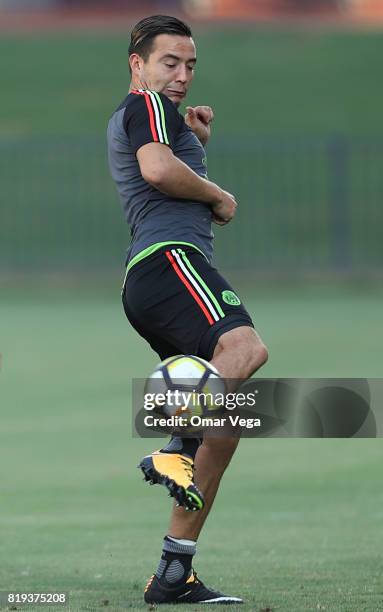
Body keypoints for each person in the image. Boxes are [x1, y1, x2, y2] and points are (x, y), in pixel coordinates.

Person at [107, 15, 268, 605]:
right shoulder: (144, 103)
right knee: (246, 349)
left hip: (154, 275)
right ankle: (175, 446)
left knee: (227, 421)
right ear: (138, 65)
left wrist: (193, 145)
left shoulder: (162, 117)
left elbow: (164, 167)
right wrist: (219, 193)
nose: (180, 75)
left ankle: (175, 572)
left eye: (190, 64)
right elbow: (156, 170)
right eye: (169, 62)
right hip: (167, 260)